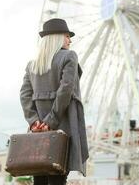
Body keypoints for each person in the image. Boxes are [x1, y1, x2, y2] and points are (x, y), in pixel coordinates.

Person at [20, 18, 89, 185]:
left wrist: (34, 122)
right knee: (57, 175)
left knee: (40, 174)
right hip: (62, 125)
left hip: (37, 132)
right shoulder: (69, 56)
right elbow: (66, 90)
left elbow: (24, 95)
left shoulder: (32, 65)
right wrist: (51, 122)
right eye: (67, 36)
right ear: (57, 38)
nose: (70, 40)